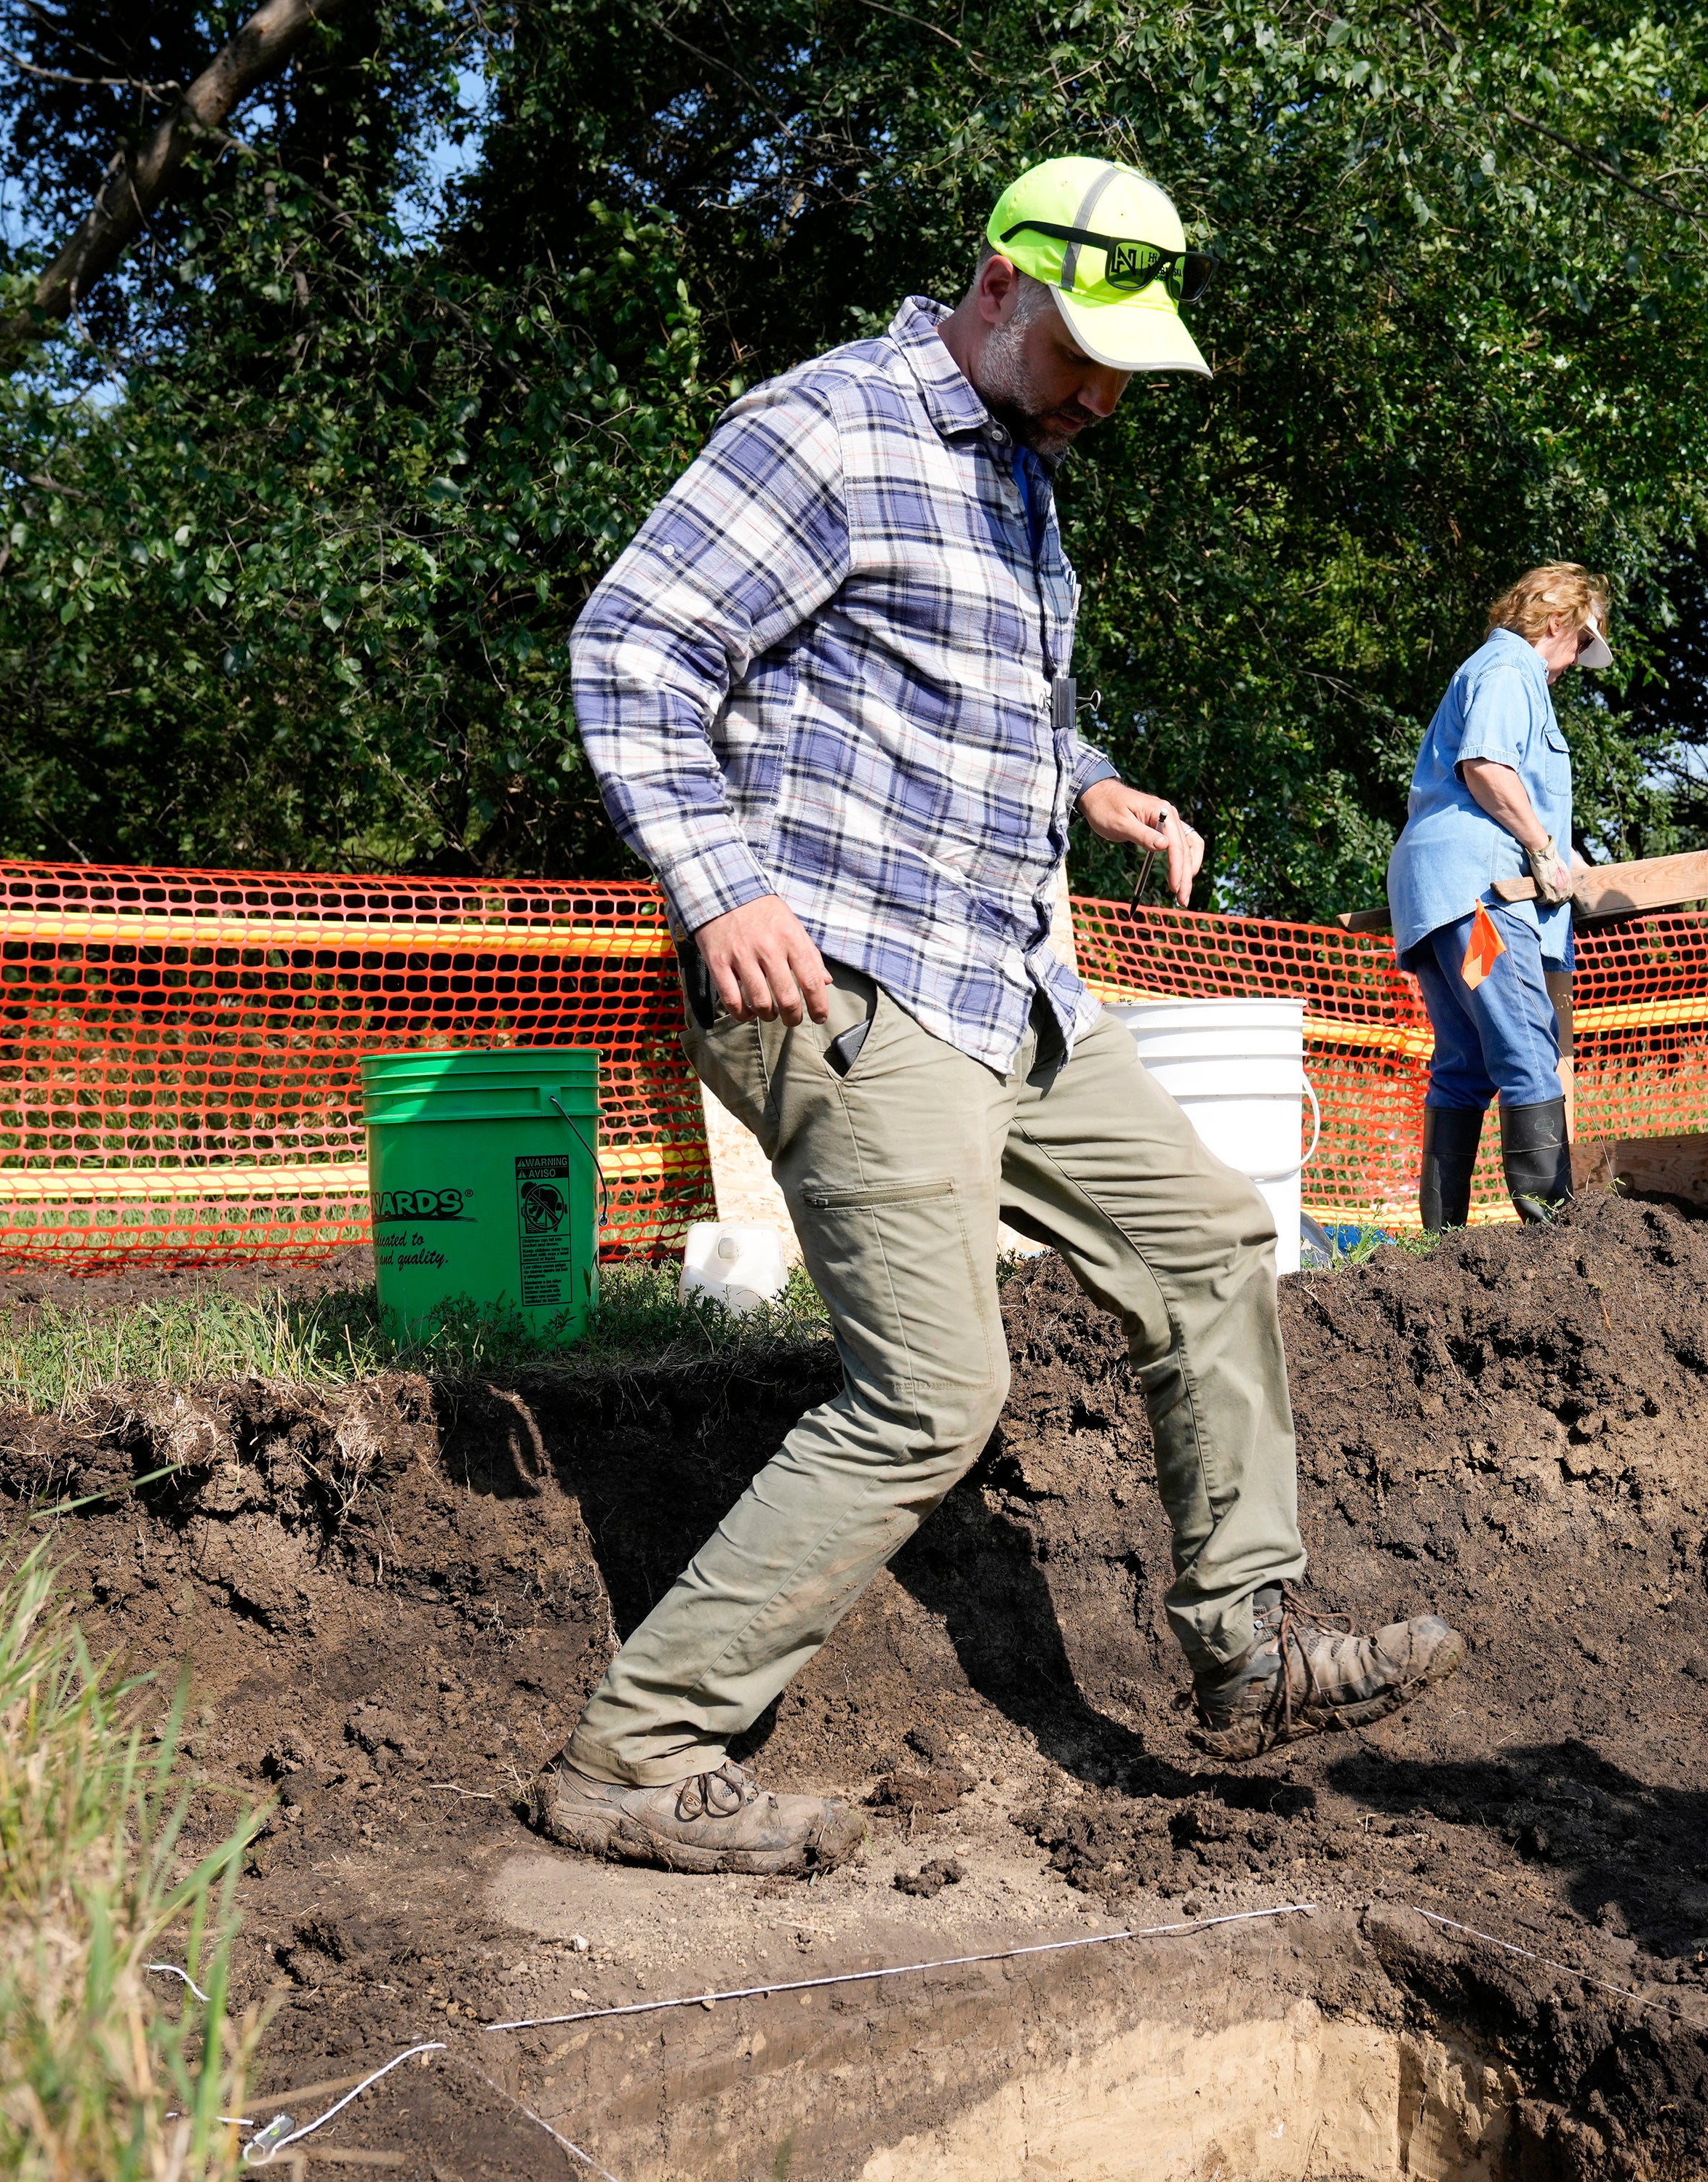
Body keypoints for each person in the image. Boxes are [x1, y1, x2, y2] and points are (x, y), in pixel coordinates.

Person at [531, 156, 1467, 1878]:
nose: (1107, 391)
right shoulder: (828, 428)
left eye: (1129, 359)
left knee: (1200, 1233)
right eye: (1087, 347)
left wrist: (1093, 784)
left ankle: (1244, 1644)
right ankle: (638, 1747)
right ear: (994, 284)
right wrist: (722, 884)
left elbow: (999, 705)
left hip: (1001, 974)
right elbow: (632, 645)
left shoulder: (1019, 479)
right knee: (935, 1390)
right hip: (839, 972)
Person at [1384, 564, 1611, 1227]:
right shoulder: (1513, 671)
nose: (1574, 662)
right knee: (1526, 1049)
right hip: (1480, 900)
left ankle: (1441, 1247)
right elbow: (1485, 767)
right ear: (1554, 624)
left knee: (1464, 1062)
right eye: (1579, 643)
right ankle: (1556, 1236)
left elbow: (1501, 789)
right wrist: (1541, 847)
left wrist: (1563, 853)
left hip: (1439, 901)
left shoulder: (1485, 670)